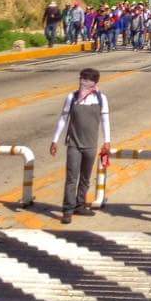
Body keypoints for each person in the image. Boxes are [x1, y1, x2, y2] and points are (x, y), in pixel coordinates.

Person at [50, 68, 111, 224]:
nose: (82, 82)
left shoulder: (101, 98)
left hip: (91, 145)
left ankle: (80, 204)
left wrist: (107, 141)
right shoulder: (72, 97)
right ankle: (68, 210)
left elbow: (105, 121)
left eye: (86, 80)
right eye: (81, 79)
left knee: (85, 178)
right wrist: (55, 140)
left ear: (94, 83)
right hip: (74, 144)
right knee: (71, 178)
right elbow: (63, 119)